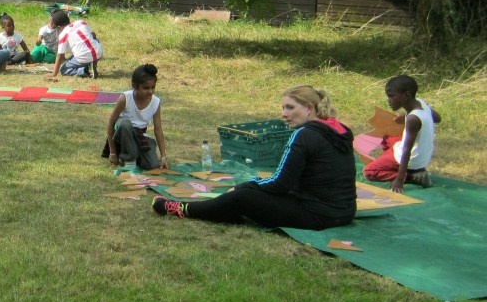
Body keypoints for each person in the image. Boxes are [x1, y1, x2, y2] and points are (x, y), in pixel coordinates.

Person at [152, 86, 357, 230]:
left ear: (309, 109)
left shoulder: (304, 135)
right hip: (344, 212)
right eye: (283, 108)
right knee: (252, 192)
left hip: (319, 215)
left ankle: (183, 208)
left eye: (290, 107)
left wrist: (245, 186)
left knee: (243, 196)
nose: (284, 114)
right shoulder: (339, 130)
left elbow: (280, 183)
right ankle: (229, 210)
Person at [362, 75, 441, 190]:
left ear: (406, 95)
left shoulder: (413, 119)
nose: (389, 100)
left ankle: (411, 176)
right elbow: (437, 118)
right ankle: (403, 168)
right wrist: (405, 116)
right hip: (421, 155)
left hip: (412, 158)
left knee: (369, 171)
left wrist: (399, 180)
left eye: (391, 96)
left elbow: (406, 150)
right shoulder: (420, 103)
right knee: (386, 137)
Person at [103, 64, 168, 170]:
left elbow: (158, 129)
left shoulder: (156, 102)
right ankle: (129, 158)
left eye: (153, 87)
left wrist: (163, 156)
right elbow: (111, 123)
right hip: (122, 134)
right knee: (125, 124)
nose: (150, 91)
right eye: (146, 88)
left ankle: (136, 154)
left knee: (153, 165)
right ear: (135, 85)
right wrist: (112, 152)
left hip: (140, 136)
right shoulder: (125, 98)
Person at [49, 10, 102, 78]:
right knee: (73, 57)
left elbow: (60, 56)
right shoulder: (81, 22)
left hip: (83, 56)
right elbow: (93, 35)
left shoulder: (63, 35)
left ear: (59, 27)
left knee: (64, 69)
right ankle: (91, 63)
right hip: (98, 52)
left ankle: (85, 70)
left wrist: (54, 74)